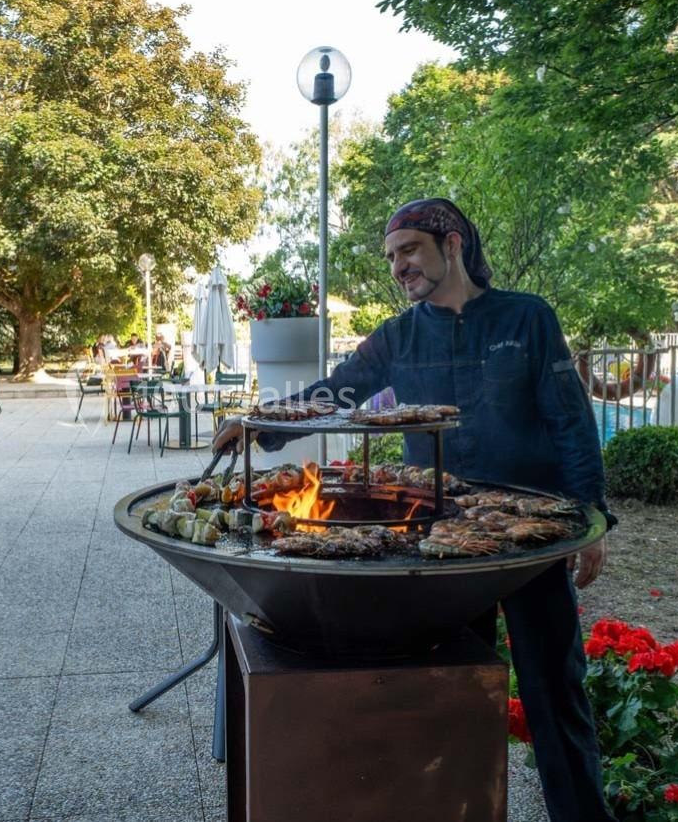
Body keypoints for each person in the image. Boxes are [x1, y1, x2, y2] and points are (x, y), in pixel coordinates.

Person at [214, 197, 617, 822]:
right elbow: (337, 390)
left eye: (409, 250)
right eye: (392, 257)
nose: (399, 266)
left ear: (451, 243)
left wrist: (590, 517)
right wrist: (260, 425)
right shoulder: (398, 336)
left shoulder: (528, 318)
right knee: (449, 685)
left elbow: (570, 420)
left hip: (528, 537)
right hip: (441, 540)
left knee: (553, 690)